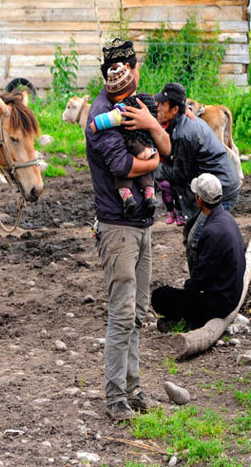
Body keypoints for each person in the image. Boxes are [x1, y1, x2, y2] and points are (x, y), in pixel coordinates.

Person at [85, 37, 172, 421]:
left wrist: (152, 125)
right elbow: (123, 166)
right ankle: (115, 396)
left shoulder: (139, 106)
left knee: (136, 312)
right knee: (121, 314)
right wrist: (153, 162)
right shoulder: (102, 114)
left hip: (142, 224)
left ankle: (133, 388)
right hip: (118, 227)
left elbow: (167, 147)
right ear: (128, 70)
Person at [153, 82, 242, 265]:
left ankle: (207, 284)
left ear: (175, 108)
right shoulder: (180, 123)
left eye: (163, 104)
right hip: (213, 186)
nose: (158, 108)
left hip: (221, 190)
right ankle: (203, 283)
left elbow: (179, 174)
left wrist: (153, 168)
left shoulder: (184, 133)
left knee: (197, 240)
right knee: (193, 234)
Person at [151, 173, 246, 331]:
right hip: (231, 293)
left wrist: (186, 293)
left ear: (199, 199)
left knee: (160, 296)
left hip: (220, 303)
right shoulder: (227, 219)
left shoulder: (211, 230)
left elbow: (201, 277)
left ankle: (189, 321)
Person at [88, 62, 158, 217]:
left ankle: (127, 197)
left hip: (133, 145)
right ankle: (150, 194)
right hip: (148, 145)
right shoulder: (146, 100)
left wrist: (96, 124)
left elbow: (110, 119)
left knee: (122, 176)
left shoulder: (123, 107)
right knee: (146, 174)